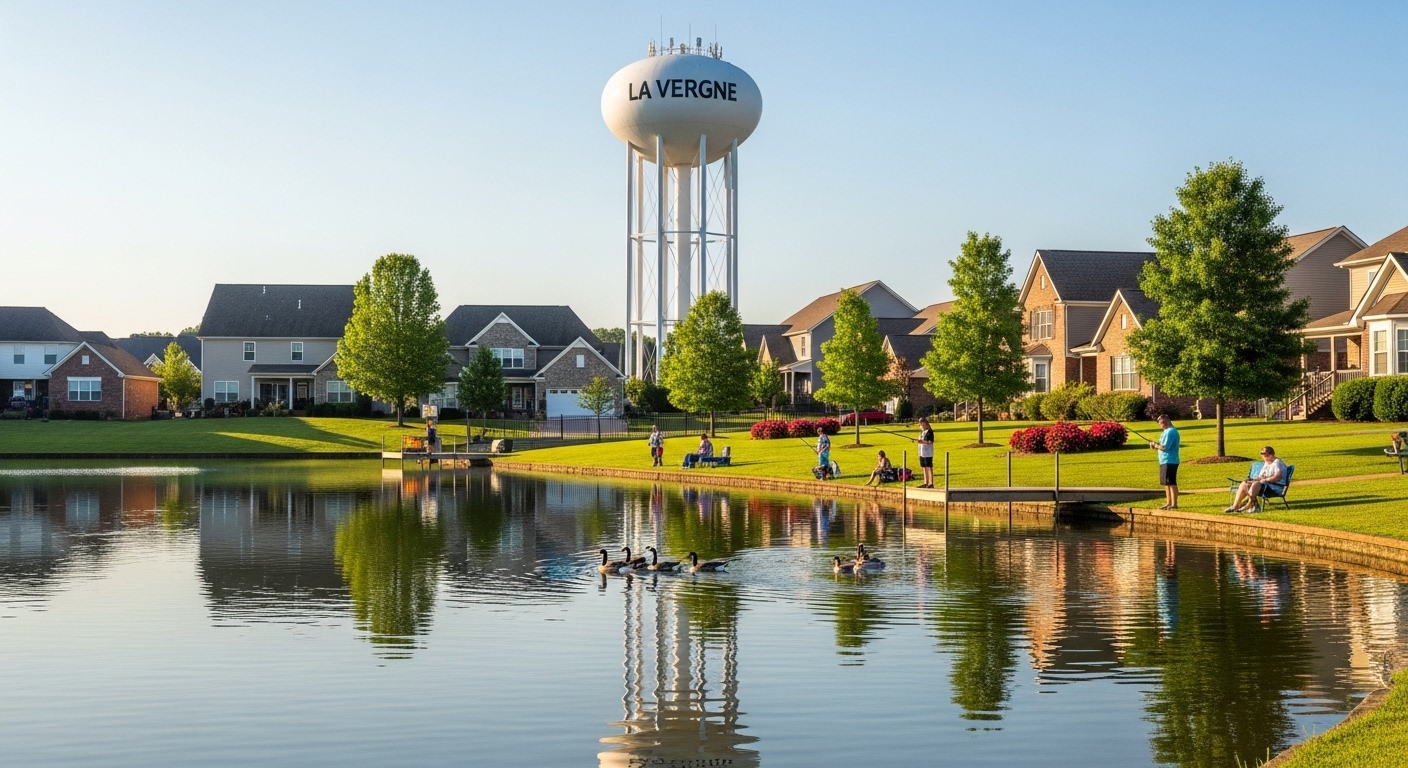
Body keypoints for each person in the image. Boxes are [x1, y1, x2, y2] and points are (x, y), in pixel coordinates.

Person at [1226, 446, 1288, 513]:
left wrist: (1266, 480)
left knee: (1256, 484)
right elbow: (1261, 477)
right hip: (1265, 485)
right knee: (1244, 484)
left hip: (1275, 487)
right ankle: (1235, 506)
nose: (1264, 458)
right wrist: (1253, 480)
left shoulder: (1276, 463)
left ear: (1271, 455)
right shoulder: (1268, 462)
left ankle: (1251, 506)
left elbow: (1278, 477)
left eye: (1265, 456)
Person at [1148, 414, 1180, 509]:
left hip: (1170, 460)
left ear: (1167, 420)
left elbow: (1165, 447)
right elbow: (1161, 446)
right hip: (1164, 460)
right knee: (1166, 483)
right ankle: (1168, 503)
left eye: (1162, 422)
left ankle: (1174, 504)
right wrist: (1155, 446)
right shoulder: (1165, 432)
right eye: (1160, 423)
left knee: (1171, 482)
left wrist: (1155, 445)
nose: (1162, 424)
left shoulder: (1170, 432)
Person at [916, 417, 935, 488]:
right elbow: (920, 440)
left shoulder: (930, 432)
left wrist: (922, 442)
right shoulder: (922, 432)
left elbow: (930, 442)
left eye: (921, 423)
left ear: (924, 423)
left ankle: (930, 483)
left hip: (928, 453)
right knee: (924, 467)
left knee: (929, 467)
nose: (920, 425)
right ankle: (925, 482)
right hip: (922, 452)